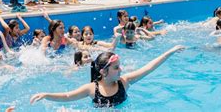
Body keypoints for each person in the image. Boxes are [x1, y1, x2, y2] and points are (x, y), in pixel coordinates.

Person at [30, 45, 185, 107]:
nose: (121, 69)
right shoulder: (91, 89)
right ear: (103, 72)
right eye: (116, 67)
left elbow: (149, 68)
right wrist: (46, 95)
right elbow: (67, 96)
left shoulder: (124, 82)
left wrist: (168, 53)